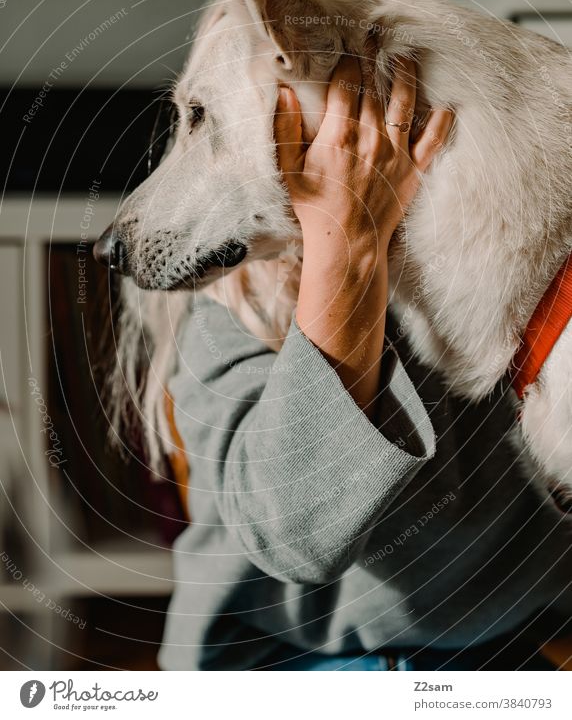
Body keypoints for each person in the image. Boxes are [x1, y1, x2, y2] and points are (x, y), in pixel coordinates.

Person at [158, 56, 572, 671]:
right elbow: (297, 537)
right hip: (277, 658)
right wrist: (345, 235)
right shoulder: (230, 313)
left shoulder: (506, 255)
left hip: (500, 646)